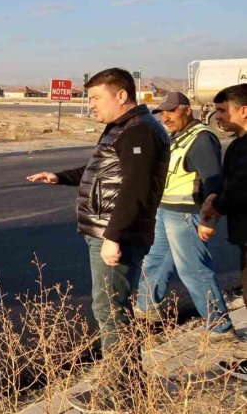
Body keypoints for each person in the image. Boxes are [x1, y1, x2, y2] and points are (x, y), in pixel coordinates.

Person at [27, 68, 170, 411]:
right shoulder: (125, 128)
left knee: (110, 310)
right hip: (111, 232)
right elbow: (103, 171)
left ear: (121, 95)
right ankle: (129, 385)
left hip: (117, 235)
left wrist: (113, 236)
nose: (90, 104)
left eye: (95, 97)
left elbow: (135, 189)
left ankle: (120, 392)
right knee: (111, 308)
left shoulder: (139, 130)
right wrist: (59, 176)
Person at [134, 92, 235, 339]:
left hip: (186, 215)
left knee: (194, 270)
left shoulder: (202, 139)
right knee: (155, 261)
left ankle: (220, 328)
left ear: (187, 110)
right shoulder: (178, 136)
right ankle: (147, 309)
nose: (165, 117)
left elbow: (213, 181)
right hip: (166, 210)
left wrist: (209, 219)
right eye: (162, 113)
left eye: (171, 111)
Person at [200, 83, 247, 296]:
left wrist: (214, 208)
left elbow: (240, 187)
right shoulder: (238, 144)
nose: (217, 116)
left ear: (243, 110)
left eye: (222, 110)